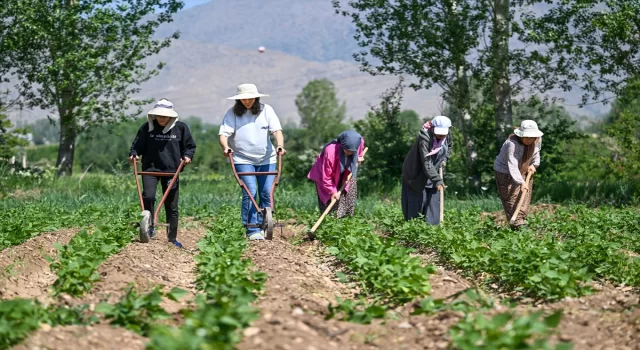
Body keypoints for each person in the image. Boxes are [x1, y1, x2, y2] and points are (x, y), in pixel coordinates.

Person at [218, 84, 285, 241]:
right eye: (243, 99)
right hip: (242, 158)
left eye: (250, 98)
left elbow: (276, 130)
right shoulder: (232, 113)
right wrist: (226, 147)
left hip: (267, 158)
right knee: (251, 191)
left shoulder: (266, 110)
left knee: (266, 192)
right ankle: (251, 228)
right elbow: (223, 134)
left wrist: (280, 145)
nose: (247, 101)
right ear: (239, 100)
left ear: (256, 97)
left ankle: (264, 224)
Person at [129, 98, 196, 248]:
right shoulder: (147, 128)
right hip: (150, 169)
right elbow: (137, 145)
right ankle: (149, 228)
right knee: (148, 196)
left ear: (171, 116)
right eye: (159, 116)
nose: (162, 119)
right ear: (154, 116)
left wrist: (187, 156)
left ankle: (172, 238)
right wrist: (134, 153)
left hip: (172, 171)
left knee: (171, 205)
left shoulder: (181, 128)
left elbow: (190, 147)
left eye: (165, 116)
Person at [401, 115, 453, 225]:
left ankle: (432, 229)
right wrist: (437, 180)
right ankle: (414, 229)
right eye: (438, 133)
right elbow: (426, 162)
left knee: (433, 203)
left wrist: (444, 159)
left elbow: (450, 146)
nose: (440, 136)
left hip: (434, 171)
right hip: (417, 172)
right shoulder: (424, 139)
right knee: (418, 203)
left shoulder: (447, 135)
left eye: (443, 134)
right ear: (433, 128)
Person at [494, 120, 543, 230]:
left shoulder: (537, 139)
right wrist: (520, 181)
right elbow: (512, 165)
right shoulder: (512, 144)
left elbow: (536, 152)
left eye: (532, 137)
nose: (529, 140)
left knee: (524, 195)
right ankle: (517, 224)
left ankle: (521, 220)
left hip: (525, 169)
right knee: (511, 197)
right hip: (505, 171)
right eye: (526, 137)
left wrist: (534, 165)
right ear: (520, 135)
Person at [308, 130, 366, 218]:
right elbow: (326, 176)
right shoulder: (330, 151)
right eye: (347, 150)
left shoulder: (359, 142)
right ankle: (330, 223)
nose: (350, 153)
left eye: (352, 151)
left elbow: (360, 150)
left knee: (349, 194)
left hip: (345, 173)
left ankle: (345, 220)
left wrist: (360, 157)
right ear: (343, 145)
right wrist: (333, 192)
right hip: (325, 176)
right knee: (331, 201)